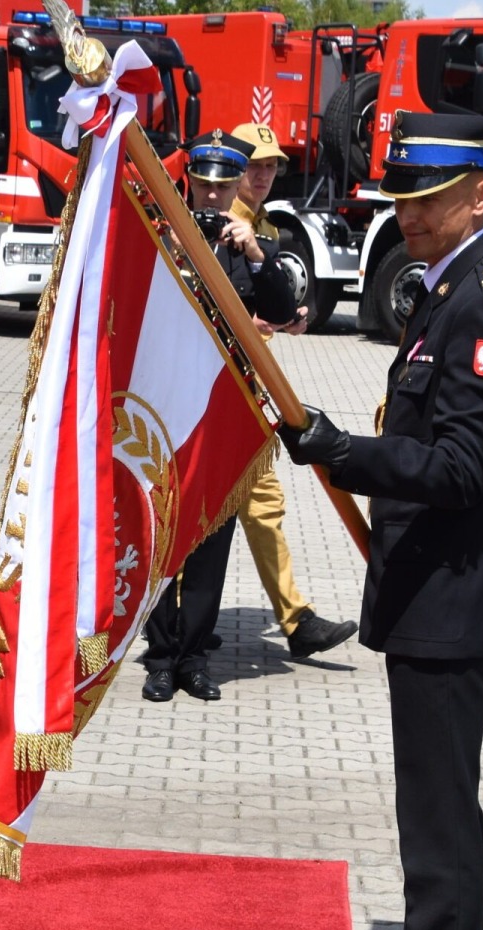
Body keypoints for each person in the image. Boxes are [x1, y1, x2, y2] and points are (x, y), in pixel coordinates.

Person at [280, 112, 483, 930]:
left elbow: (464, 467)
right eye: (404, 203)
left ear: (481, 194)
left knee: (436, 828)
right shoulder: (445, 292)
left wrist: (345, 452)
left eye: (430, 202)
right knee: (441, 815)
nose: (414, 220)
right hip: (431, 595)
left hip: (450, 602)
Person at [140, 131, 296, 704]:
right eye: (202, 184)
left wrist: (255, 252)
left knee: (211, 537)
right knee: (162, 535)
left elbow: (281, 309)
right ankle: (159, 656)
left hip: (222, 414)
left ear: (234, 189)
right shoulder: (162, 235)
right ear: (189, 182)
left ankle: (194, 657)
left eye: (221, 186)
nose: (209, 196)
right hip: (163, 414)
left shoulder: (241, 244)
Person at [227, 121, 358, 663]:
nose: (263, 174)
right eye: (254, 164)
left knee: (259, 503)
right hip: (223, 388)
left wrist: (284, 318)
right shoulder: (219, 228)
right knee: (239, 505)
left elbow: (264, 306)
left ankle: (291, 618)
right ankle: (288, 620)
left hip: (249, 386)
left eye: (272, 164)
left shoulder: (267, 231)